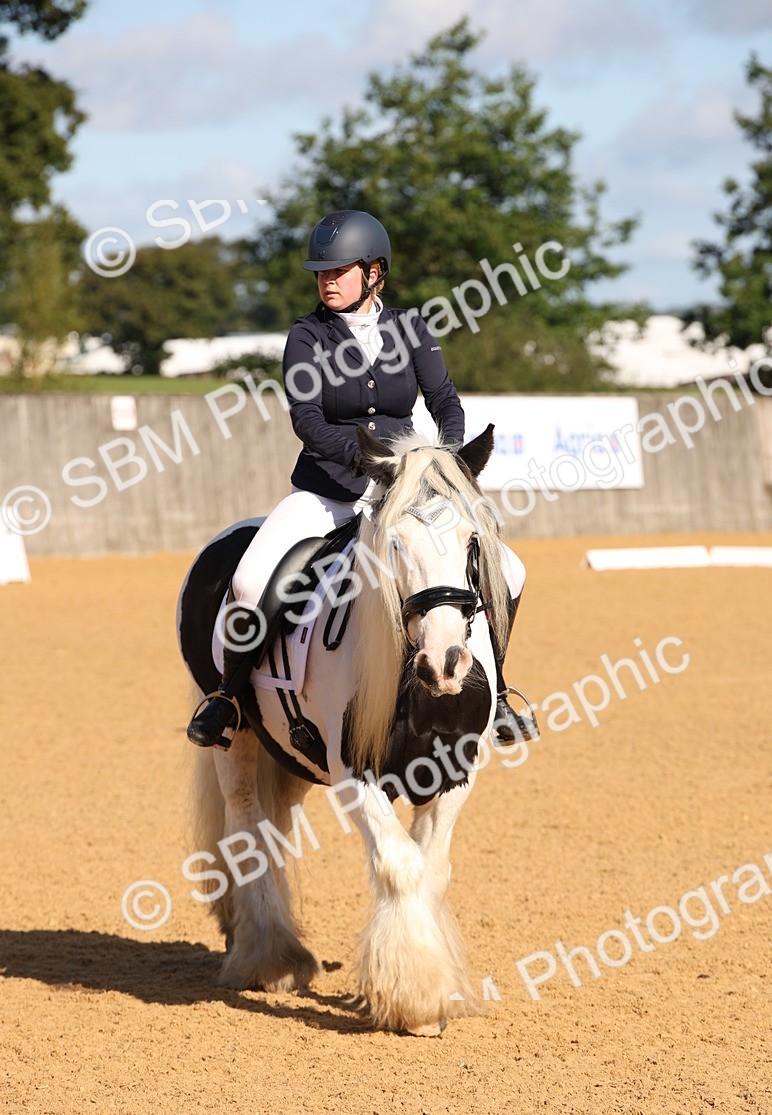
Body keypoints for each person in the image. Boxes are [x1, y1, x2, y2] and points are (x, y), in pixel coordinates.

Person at [187, 209, 534, 749]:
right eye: (321, 273)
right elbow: (307, 419)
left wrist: (443, 462)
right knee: (251, 580)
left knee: (509, 569)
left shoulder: (410, 327)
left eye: (338, 271)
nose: (326, 281)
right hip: (328, 490)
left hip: (407, 491)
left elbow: (445, 401)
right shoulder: (307, 336)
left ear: (374, 272)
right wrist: (361, 459)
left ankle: (500, 690)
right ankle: (228, 696)